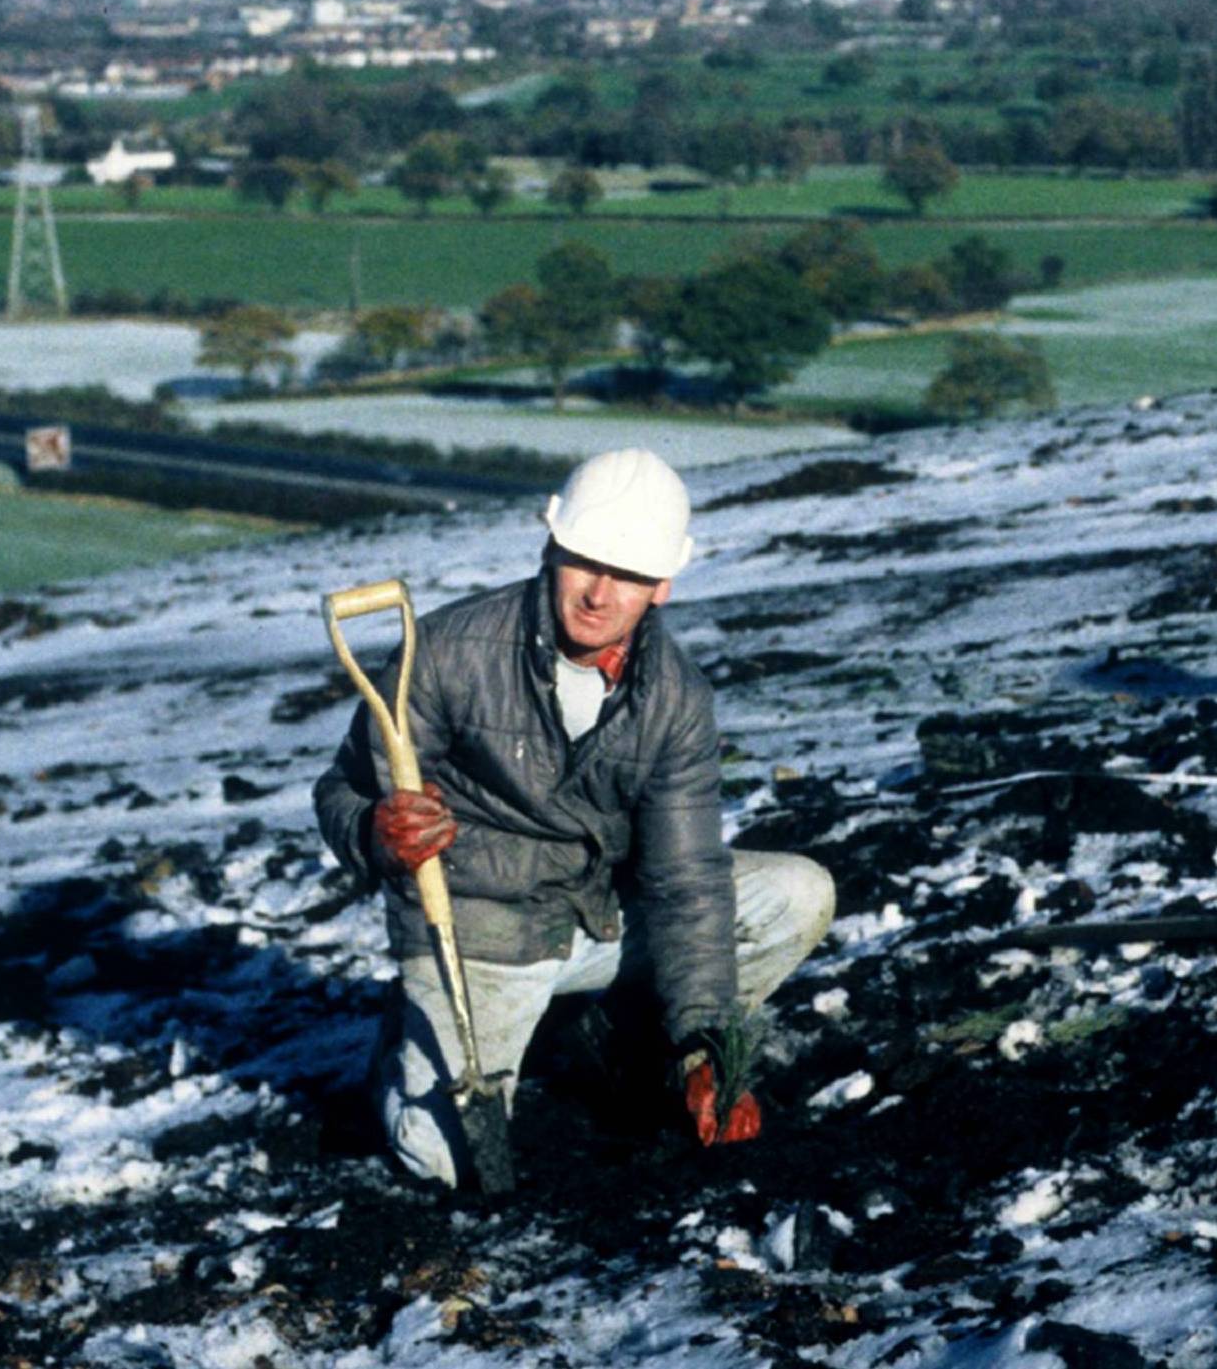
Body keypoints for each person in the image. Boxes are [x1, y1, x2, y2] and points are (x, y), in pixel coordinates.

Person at [315, 447, 834, 1188]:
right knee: (445, 1163)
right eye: (585, 560)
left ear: (662, 586)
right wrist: (375, 833)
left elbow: (686, 879)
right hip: (479, 932)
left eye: (627, 573)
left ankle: (622, 1036)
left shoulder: (675, 697)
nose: (598, 592)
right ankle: (402, 1053)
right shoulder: (447, 652)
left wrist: (706, 1046)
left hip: (599, 918)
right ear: (551, 546)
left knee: (798, 893)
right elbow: (341, 788)